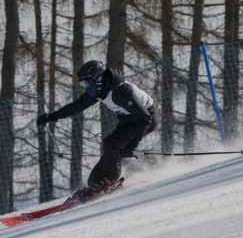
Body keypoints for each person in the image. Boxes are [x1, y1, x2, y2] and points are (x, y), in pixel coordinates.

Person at [37, 60, 157, 191]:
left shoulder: (120, 91)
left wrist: (132, 145)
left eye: (87, 83)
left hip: (145, 119)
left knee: (111, 144)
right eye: (83, 84)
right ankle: (96, 183)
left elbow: (145, 119)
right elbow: (77, 105)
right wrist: (51, 117)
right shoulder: (99, 90)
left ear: (98, 79)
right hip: (128, 120)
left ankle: (110, 182)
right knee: (104, 162)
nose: (85, 88)